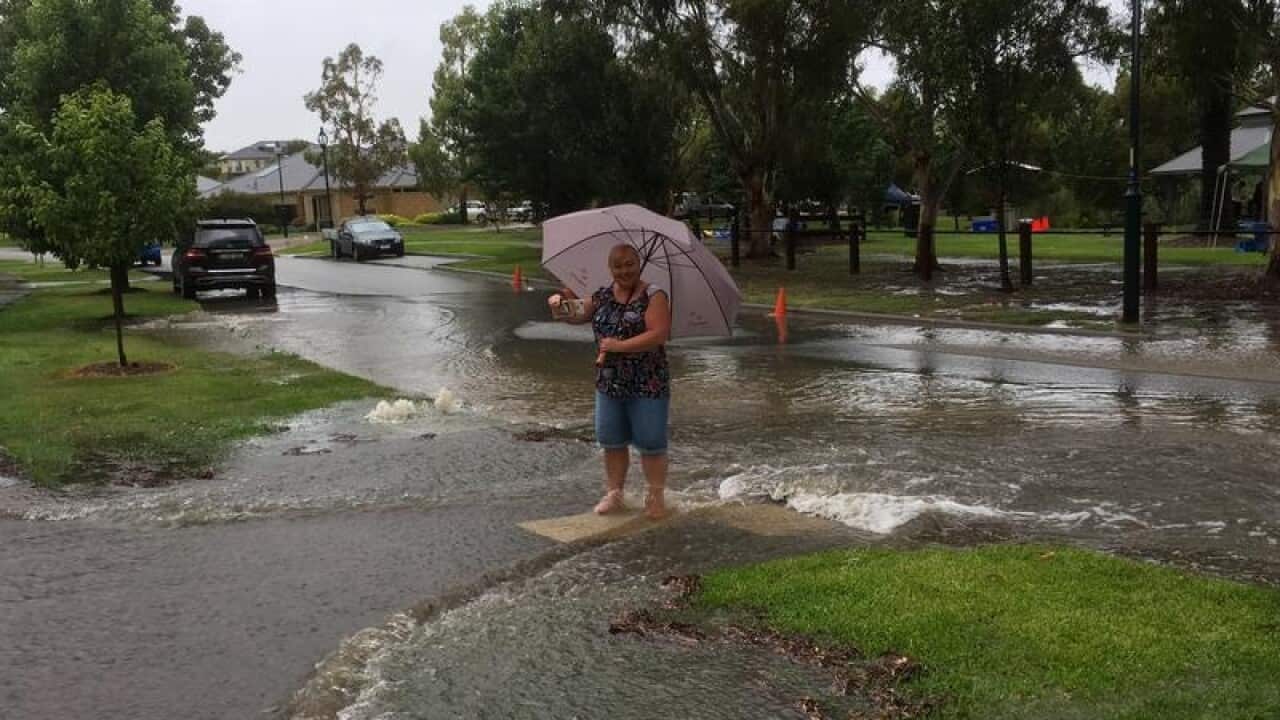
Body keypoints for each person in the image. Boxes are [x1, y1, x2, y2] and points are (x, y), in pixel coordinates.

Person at [547, 244, 672, 520]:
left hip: (647, 383)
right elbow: (576, 313)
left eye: (629, 264)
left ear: (638, 264)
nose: (624, 270)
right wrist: (558, 304)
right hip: (609, 383)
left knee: (651, 441)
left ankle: (655, 496)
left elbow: (659, 334)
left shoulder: (654, 295)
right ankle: (614, 493)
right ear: (610, 268)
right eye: (618, 266)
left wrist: (619, 345)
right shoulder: (602, 295)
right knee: (611, 439)